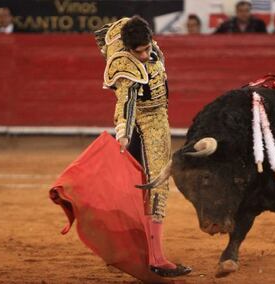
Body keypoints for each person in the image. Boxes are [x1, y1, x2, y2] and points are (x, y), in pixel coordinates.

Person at [94, 16, 191, 277]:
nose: (147, 54)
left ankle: (130, 247)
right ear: (128, 50)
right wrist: (123, 134)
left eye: (148, 48)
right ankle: (157, 258)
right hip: (147, 124)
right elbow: (125, 103)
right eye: (140, 52)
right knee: (157, 185)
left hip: (158, 119)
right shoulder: (125, 65)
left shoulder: (142, 41)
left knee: (135, 187)